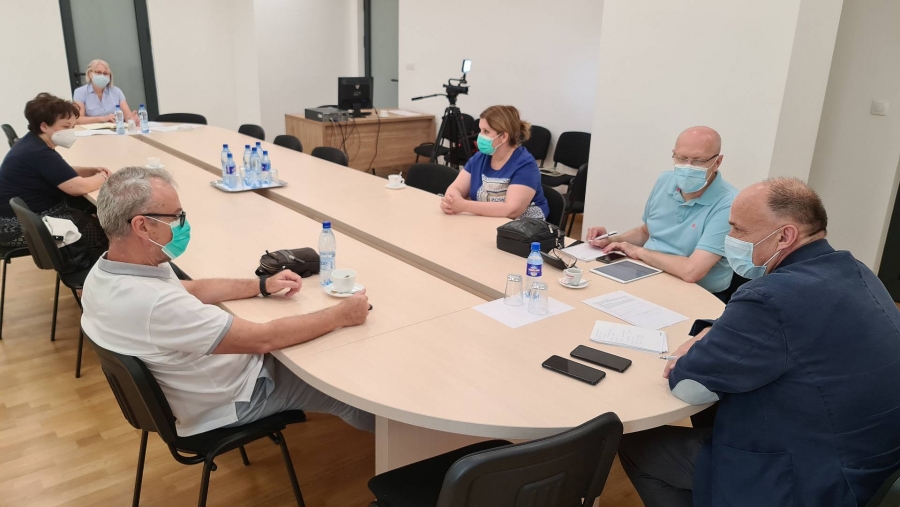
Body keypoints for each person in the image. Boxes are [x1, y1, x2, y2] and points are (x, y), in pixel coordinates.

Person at [618, 178, 900, 507]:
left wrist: (698, 348)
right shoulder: (854, 270)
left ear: (785, 236)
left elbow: (689, 386)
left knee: (638, 448)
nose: (729, 239)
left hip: (812, 478)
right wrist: (717, 332)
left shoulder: (771, 297)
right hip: (874, 460)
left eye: (738, 229)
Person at [81, 166, 374, 437]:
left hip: (203, 384)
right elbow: (263, 339)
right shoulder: (155, 303)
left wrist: (262, 284)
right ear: (142, 226)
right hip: (234, 397)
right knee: (345, 387)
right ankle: (398, 454)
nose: (183, 225)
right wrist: (342, 314)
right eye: (176, 217)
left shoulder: (106, 272)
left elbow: (192, 289)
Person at [586, 126, 738, 301]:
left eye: (698, 161)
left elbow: (692, 271)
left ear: (717, 162)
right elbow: (646, 232)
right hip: (647, 274)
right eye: (681, 158)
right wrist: (613, 240)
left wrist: (638, 252)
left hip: (697, 293)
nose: (687, 166)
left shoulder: (729, 203)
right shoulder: (665, 180)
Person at [0, 93, 109, 248]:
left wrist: (90, 171)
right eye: (66, 127)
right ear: (44, 126)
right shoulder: (38, 152)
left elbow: (58, 172)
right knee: (101, 230)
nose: (70, 132)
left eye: (72, 127)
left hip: (22, 217)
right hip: (18, 228)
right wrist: (104, 176)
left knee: (89, 208)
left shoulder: (32, 143)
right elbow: (79, 188)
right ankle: (88, 260)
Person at [440, 105, 549, 220]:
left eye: (486, 131)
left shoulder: (526, 165)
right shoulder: (479, 158)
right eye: (480, 130)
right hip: (488, 220)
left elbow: (512, 210)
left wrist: (464, 205)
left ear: (503, 136)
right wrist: (451, 201)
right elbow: (456, 188)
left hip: (524, 226)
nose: (480, 136)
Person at [73, 59, 135, 124]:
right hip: (92, 129)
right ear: (90, 74)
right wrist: (103, 119)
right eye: (98, 72)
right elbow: (78, 119)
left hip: (115, 128)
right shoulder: (80, 92)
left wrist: (132, 119)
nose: (102, 76)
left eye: (105, 73)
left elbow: (128, 116)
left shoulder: (117, 92)